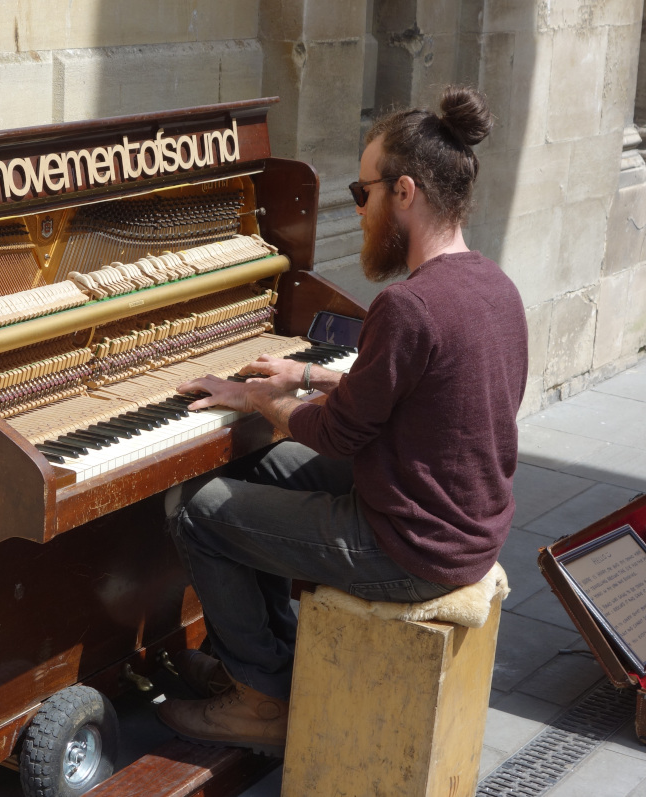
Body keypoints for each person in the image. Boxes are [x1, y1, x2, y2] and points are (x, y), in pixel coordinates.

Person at [157, 85, 528, 756]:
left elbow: (339, 433)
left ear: (404, 193)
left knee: (194, 506)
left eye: (364, 195)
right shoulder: (492, 286)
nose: (359, 213)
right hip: (460, 522)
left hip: (412, 545)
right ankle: (271, 658)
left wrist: (262, 401)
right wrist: (304, 375)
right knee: (255, 466)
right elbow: (410, 390)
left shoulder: (409, 305)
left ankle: (263, 703)